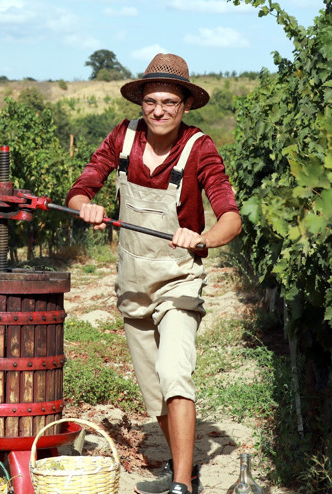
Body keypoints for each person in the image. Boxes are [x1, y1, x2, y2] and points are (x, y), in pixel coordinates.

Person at [66, 53, 242, 494]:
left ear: (185, 106)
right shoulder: (123, 139)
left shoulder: (199, 147)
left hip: (179, 280)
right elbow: (81, 188)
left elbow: (230, 217)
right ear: (141, 102)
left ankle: (182, 486)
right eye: (151, 101)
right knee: (154, 391)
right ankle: (186, 469)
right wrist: (86, 204)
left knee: (174, 371)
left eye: (169, 102)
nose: (159, 110)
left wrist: (202, 237)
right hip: (134, 283)